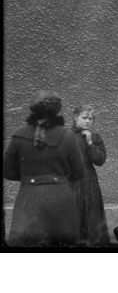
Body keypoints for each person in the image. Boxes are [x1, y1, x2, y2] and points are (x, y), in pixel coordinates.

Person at [3, 91, 85, 246]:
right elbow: (79, 171)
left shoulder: (18, 135)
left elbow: (7, 171)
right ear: (57, 110)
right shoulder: (67, 136)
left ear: (33, 110)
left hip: (29, 200)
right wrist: (59, 178)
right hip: (61, 200)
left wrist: (29, 177)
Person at [71, 104, 110, 246]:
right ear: (75, 117)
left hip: (90, 180)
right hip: (72, 181)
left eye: (91, 118)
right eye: (84, 118)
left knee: (92, 215)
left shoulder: (94, 137)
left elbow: (100, 160)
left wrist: (90, 143)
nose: (88, 121)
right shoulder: (66, 136)